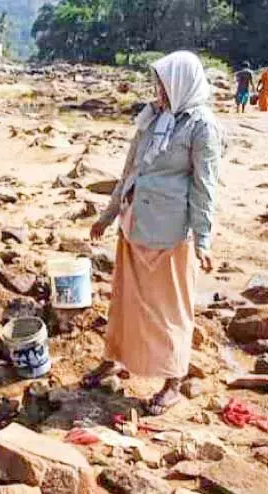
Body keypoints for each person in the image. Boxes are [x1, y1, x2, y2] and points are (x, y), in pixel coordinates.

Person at [85, 51, 222, 416]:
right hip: (135, 224)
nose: (157, 90)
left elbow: (205, 186)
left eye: (162, 83)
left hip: (170, 231)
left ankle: (173, 381)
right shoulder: (153, 117)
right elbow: (129, 170)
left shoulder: (201, 126)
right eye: (156, 83)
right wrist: (108, 214)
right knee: (125, 300)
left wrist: (204, 239)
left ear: (180, 83)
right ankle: (114, 358)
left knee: (169, 308)